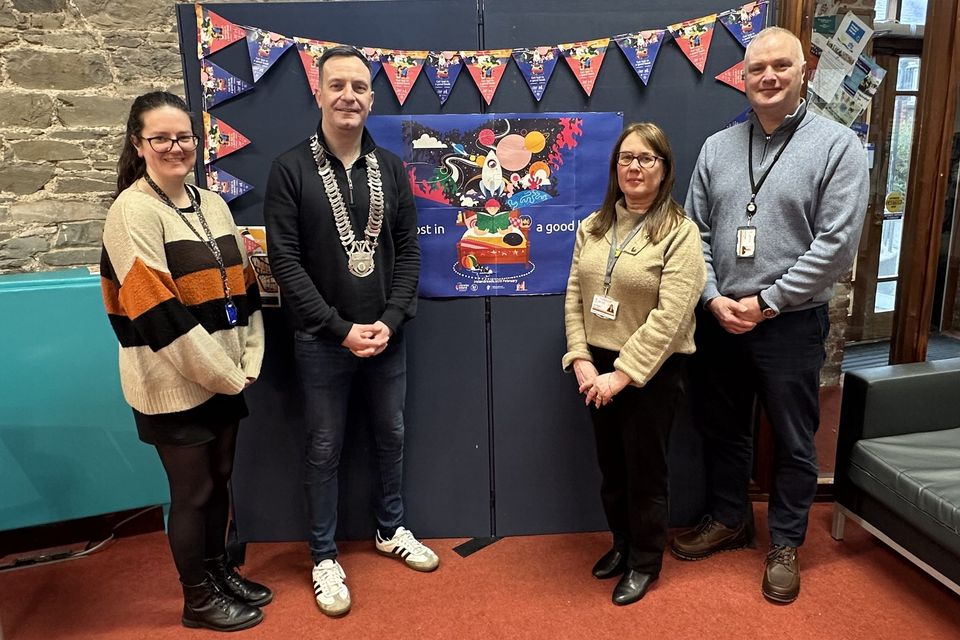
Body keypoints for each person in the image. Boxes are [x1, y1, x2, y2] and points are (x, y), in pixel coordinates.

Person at [673, 27, 869, 604]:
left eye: (781, 66)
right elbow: (695, 232)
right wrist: (712, 298)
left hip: (790, 323)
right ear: (743, 75)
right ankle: (731, 519)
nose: (768, 77)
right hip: (721, 318)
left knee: (793, 440)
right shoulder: (716, 147)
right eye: (757, 68)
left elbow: (836, 246)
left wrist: (768, 302)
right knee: (721, 428)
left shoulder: (837, 146)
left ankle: (785, 543)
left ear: (803, 70)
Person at [263, 45, 436, 618]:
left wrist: (388, 321)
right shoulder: (290, 169)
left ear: (372, 96)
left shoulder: (389, 167)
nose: (349, 96)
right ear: (318, 92)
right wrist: (339, 329)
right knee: (323, 448)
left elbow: (410, 252)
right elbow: (285, 262)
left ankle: (390, 529)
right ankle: (322, 555)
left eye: (359, 87)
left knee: (392, 435)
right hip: (321, 341)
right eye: (337, 85)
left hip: (387, 339)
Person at [100, 92, 270, 632]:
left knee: (220, 479)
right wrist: (223, 374)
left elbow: (243, 290)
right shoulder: (131, 213)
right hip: (171, 382)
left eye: (185, 137)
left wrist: (248, 356)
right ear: (138, 144)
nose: (176, 147)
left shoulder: (211, 202)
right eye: (162, 138)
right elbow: (158, 315)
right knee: (192, 492)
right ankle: (197, 598)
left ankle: (219, 571)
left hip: (223, 375)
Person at [562, 122, 706, 606]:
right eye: (626, 158)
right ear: (615, 168)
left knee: (645, 473)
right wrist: (580, 359)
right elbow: (575, 300)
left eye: (647, 158)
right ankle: (621, 546)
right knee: (612, 469)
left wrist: (621, 375)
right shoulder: (593, 227)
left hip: (650, 370)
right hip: (595, 369)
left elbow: (672, 316)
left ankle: (645, 561)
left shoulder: (680, 233)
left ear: (665, 169)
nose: (634, 167)